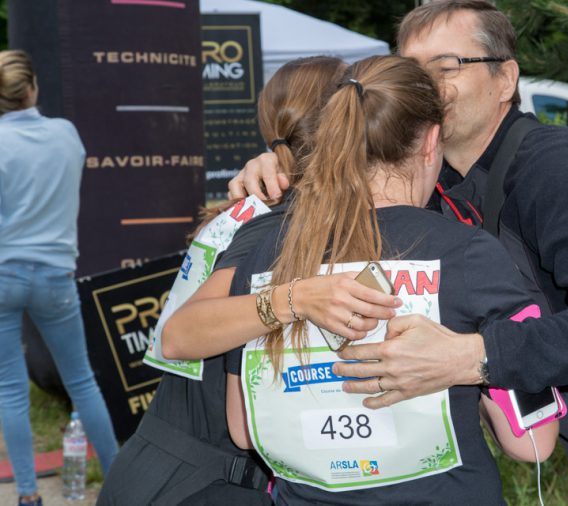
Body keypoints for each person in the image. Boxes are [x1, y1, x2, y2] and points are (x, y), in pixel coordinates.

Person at [227, 2, 568, 505]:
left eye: (448, 64)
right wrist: (284, 175)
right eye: (411, 69)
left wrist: (470, 356)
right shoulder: (440, 195)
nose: (428, 84)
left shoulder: (558, 169)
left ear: (506, 79)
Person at [191, 54, 558, 506]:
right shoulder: (472, 254)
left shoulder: (271, 252)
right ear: (430, 142)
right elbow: (532, 442)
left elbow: (245, 430)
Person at [98, 56, 397, 506]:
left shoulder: (254, 204)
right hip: (202, 484)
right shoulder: (279, 219)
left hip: (159, 469)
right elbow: (179, 339)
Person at [0, 50, 119, 506]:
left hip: (6, 273)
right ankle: (117, 482)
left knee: (11, 391)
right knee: (82, 382)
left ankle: (28, 496)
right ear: (32, 88)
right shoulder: (66, 134)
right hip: (55, 274)